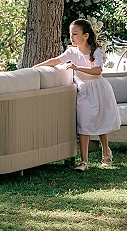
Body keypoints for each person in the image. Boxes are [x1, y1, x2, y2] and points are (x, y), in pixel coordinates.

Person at [34, 19, 121, 172]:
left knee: (100, 121)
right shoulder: (71, 52)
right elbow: (57, 60)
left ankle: (106, 151)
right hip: (83, 90)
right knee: (84, 123)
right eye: (70, 34)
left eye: (75, 34)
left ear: (86, 36)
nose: (71, 37)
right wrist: (38, 66)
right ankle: (84, 161)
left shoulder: (96, 51)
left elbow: (97, 70)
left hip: (98, 89)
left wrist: (76, 67)